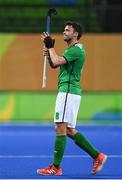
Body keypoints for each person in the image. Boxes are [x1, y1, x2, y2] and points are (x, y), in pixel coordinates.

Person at [37, 21, 107, 175]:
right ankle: (98, 156)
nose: (64, 31)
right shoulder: (71, 50)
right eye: (64, 29)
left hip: (68, 91)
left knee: (60, 127)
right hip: (68, 91)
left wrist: (50, 47)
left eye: (67, 30)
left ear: (75, 34)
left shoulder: (77, 50)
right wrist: (49, 53)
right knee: (67, 129)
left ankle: (56, 168)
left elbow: (56, 61)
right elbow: (54, 64)